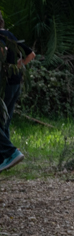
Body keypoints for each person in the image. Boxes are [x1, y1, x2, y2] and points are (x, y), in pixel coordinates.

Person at [0, 11, 35, 172]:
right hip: (16, 82)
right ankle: (5, 159)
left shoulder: (2, 38)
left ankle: (11, 153)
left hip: (5, 84)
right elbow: (31, 54)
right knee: (5, 121)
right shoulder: (10, 35)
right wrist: (16, 67)